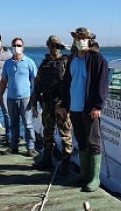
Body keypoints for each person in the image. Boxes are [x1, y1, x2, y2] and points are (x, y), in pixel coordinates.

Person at [60, 27, 108, 192]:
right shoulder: (71, 58)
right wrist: (64, 104)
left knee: (93, 142)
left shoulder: (97, 59)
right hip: (74, 108)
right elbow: (66, 83)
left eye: (84, 37)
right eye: (78, 37)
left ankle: (95, 178)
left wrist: (98, 106)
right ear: (74, 40)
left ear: (89, 40)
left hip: (90, 109)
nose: (81, 40)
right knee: (81, 142)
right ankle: (84, 174)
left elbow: (103, 84)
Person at [31, 35, 73, 174]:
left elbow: (71, 85)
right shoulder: (44, 64)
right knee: (47, 132)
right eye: (51, 45)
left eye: (56, 45)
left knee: (65, 134)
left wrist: (67, 105)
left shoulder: (66, 62)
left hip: (61, 104)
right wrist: (34, 103)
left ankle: (66, 164)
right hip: (47, 104)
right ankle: (47, 159)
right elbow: (37, 84)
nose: (53, 48)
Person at [0, 37, 37, 156]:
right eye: (14, 45)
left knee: (28, 123)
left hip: (26, 97)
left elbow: (35, 79)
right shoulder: (8, 63)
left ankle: (30, 147)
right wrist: (0, 95)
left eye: (19, 45)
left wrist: (35, 96)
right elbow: (4, 80)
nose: (17, 48)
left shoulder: (29, 62)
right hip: (11, 97)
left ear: (23, 47)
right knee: (13, 123)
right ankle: (13, 146)